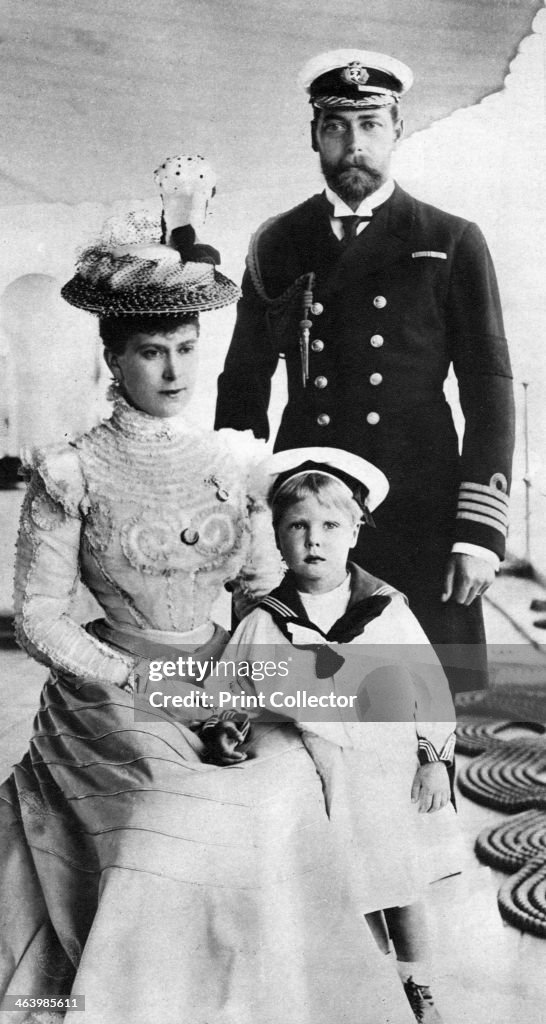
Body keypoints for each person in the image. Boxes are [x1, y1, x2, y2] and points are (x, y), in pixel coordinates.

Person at [0, 172, 415, 1024]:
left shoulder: (232, 462)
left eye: (188, 347)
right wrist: (134, 678)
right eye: (151, 351)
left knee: (297, 775)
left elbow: (264, 590)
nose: (173, 367)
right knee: (172, 810)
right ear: (112, 358)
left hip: (227, 679)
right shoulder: (70, 471)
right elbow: (38, 616)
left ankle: (268, 997)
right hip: (111, 696)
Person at [214, 49, 515, 692]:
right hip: (309, 504)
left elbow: (489, 393)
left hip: (418, 500)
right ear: (314, 134)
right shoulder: (276, 241)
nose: (355, 144)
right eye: (337, 126)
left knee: (420, 705)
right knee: (303, 700)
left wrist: (480, 533)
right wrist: (240, 515)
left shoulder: (451, 238)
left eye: (371, 124)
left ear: (397, 129)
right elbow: (242, 385)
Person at [217, 447, 463, 1024]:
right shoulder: (264, 620)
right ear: (277, 536)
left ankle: (418, 984)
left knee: (397, 880)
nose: (314, 540)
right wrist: (229, 726)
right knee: (344, 882)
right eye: (297, 526)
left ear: (355, 531)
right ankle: (368, 983)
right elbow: (230, 688)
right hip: (318, 769)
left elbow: (428, 685)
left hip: (385, 766)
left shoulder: (384, 610)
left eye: (331, 525)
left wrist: (433, 759)